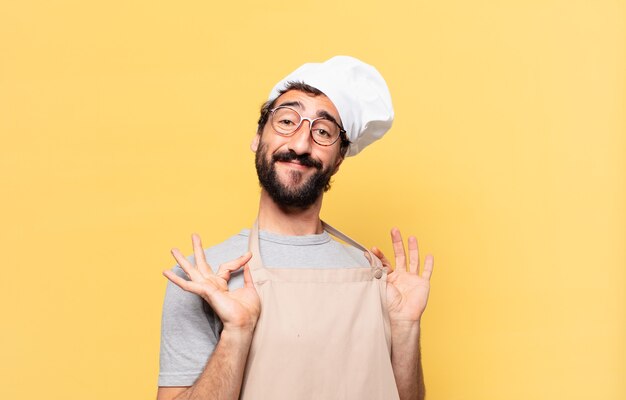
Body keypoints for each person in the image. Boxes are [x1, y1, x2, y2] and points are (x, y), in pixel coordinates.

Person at [157, 56, 434, 400]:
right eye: (287, 121)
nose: (301, 144)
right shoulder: (203, 277)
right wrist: (236, 333)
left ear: (339, 159)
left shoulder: (376, 280)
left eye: (322, 131)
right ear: (258, 137)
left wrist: (406, 327)